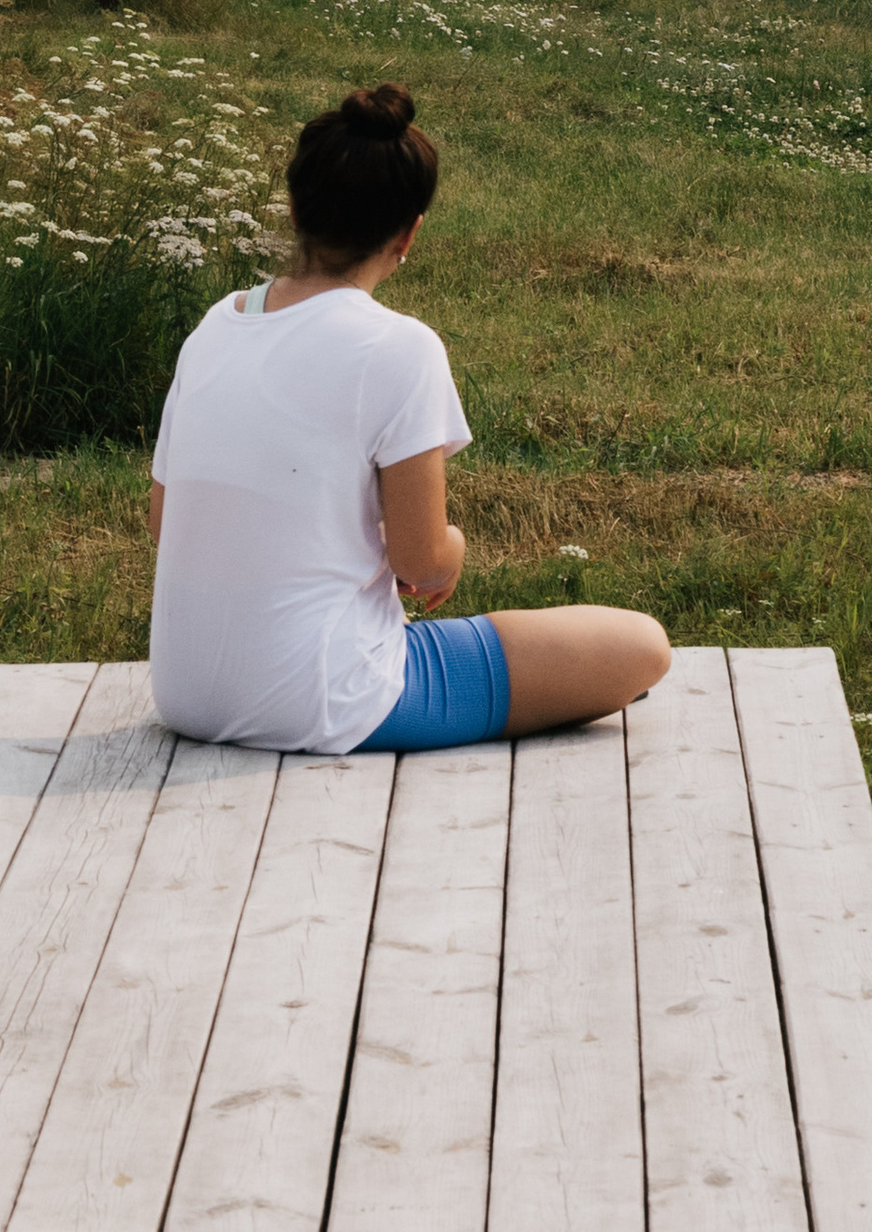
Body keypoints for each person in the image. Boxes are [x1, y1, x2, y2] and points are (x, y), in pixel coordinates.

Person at [147, 84, 668, 757]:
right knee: (640, 647)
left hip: (186, 693)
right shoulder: (399, 347)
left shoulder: (215, 327)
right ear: (409, 233)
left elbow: (168, 522)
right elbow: (420, 562)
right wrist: (450, 547)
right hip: (327, 698)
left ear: (295, 206)